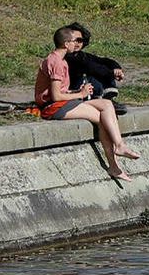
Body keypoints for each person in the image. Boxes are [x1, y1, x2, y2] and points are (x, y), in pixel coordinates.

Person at [35, 26, 139, 180]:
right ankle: (114, 163)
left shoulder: (60, 60)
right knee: (102, 117)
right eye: (74, 41)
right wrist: (81, 94)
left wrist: (77, 92)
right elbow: (56, 96)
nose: (76, 44)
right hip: (53, 107)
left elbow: (59, 90)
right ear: (66, 43)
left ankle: (119, 147)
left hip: (62, 102)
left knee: (107, 105)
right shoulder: (56, 62)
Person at [64, 23, 127, 109]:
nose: (76, 43)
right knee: (93, 76)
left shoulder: (82, 55)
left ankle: (107, 99)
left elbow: (103, 61)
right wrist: (111, 73)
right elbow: (91, 67)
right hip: (72, 89)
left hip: (84, 89)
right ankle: (102, 100)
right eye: (73, 40)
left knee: (102, 70)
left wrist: (116, 68)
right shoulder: (66, 57)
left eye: (80, 40)